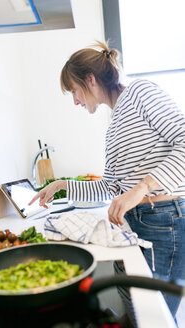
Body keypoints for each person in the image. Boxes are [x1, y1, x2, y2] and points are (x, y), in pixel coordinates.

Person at [29, 41, 185, 324]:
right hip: (138, 221)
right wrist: (62, 185)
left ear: (90, 79)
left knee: (152, 313)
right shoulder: (116, 121)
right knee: (131, 296)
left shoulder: (140, 92)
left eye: (74, 91)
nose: (75, 100)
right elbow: (110, 187)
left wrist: (141, 188)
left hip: (165, 221)